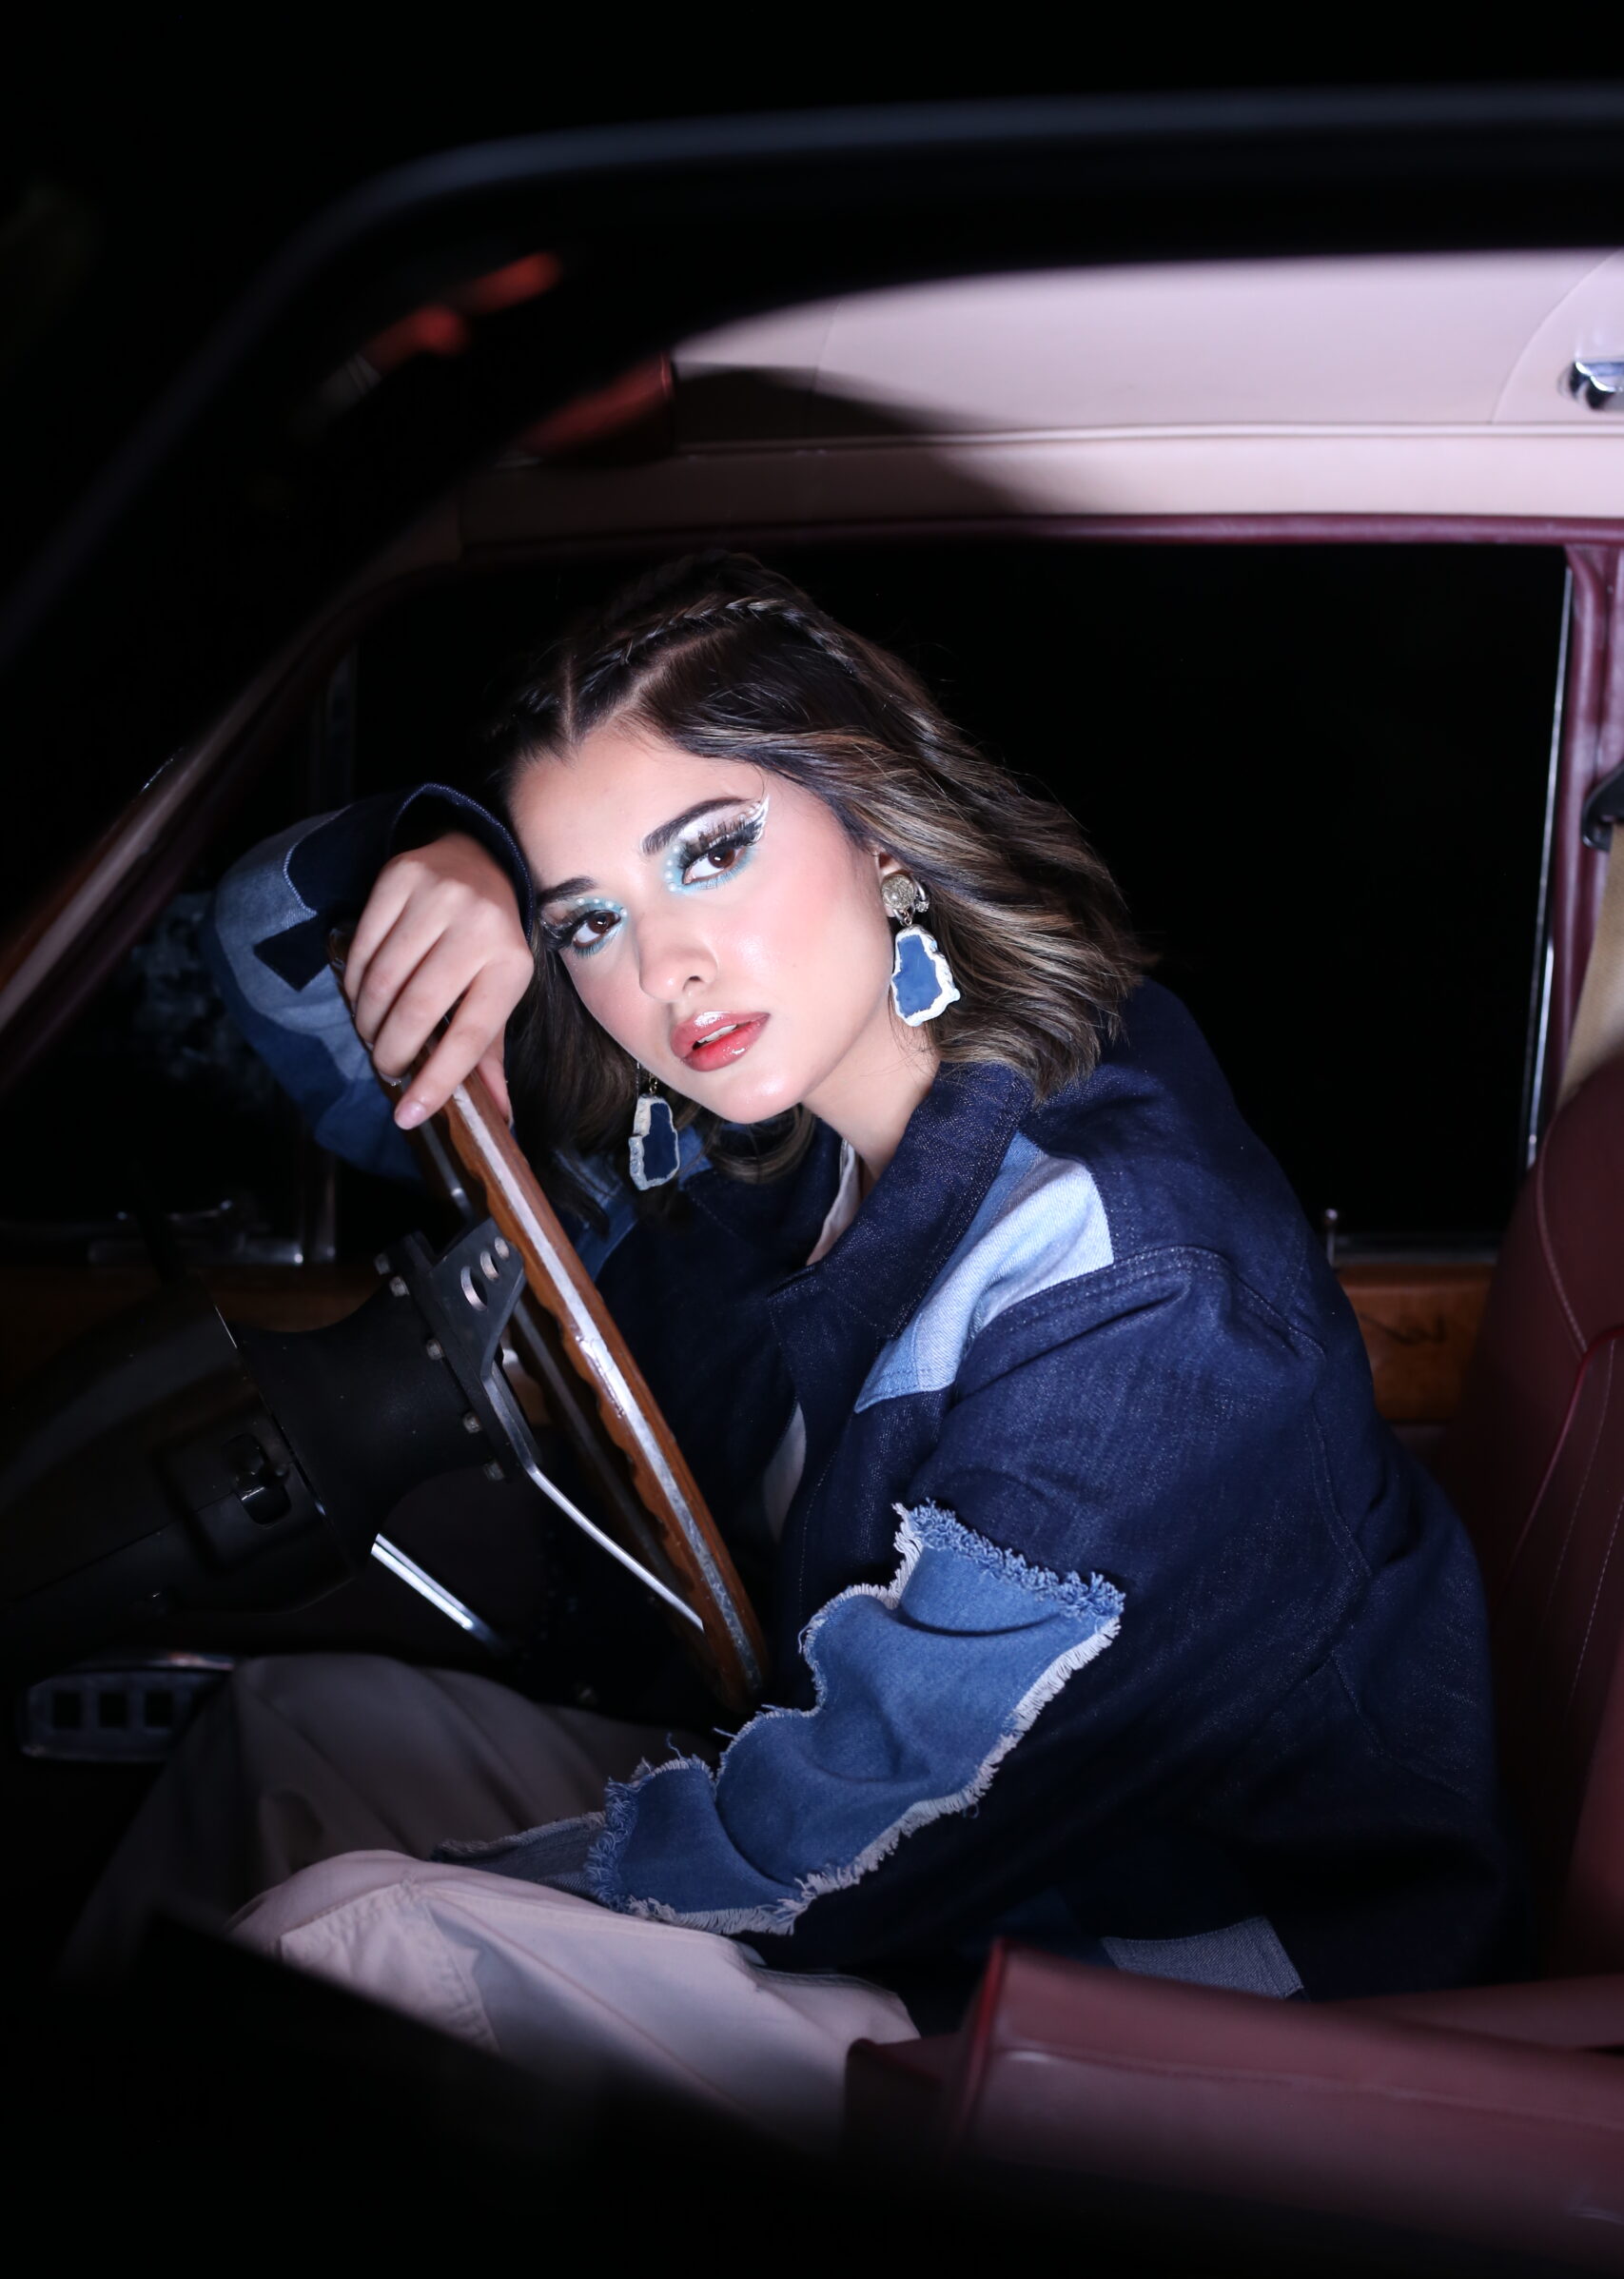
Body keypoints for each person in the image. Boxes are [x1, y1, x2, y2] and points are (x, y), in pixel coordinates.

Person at [70, 552, 1524, 2140]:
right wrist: (455, 858)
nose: (662, 971)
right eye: (589, 921)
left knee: (350, 1946)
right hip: (935, 1853)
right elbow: (289, 978)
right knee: (278, 1740)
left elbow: (848, 1842)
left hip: (1175, 1985)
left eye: (711, 853)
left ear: (878, 825)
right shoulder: (766, 1158)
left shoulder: (1133, 1304)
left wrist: (436, 1891)